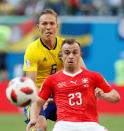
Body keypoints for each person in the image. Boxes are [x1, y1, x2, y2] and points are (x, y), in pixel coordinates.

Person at [26, 38, 120, 131]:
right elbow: (37, 102)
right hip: (64, 125)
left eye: (75, 53)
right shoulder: (51, 80)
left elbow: (116, 96)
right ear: (61, 55)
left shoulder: (94, 76)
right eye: (67, 53)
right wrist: (34, 118)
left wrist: (104, 96)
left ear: (80, 55)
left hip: (90, 124)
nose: (71, 56)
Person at [23, 9, 86, 131]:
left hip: (59, 96)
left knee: (81, 123)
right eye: (44, 24)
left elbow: (84, 73)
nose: (48, 27)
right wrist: (44, 98)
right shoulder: (32, 50)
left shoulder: (66, 46)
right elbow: (31, 85)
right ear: (37, 27)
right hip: (37, 97)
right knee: (41, 126)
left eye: (52, 23)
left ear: (57, 26)